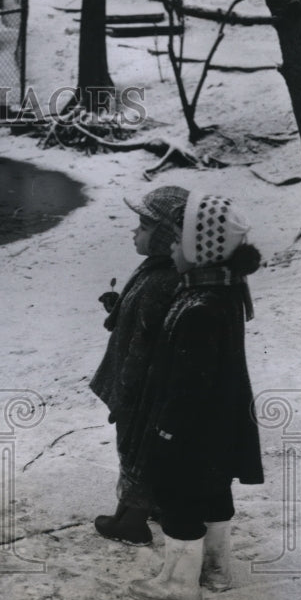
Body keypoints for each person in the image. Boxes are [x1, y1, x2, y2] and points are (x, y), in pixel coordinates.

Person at [127, 192, 264, 600]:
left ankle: (179, 583)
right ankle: (216, 567)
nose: (170, 245)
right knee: (213, 490)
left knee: (179, 498)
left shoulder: (199, 307)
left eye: (178, 240)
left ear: (199, 249)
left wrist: (167, 431)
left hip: (190, 428)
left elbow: (189, 383)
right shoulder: (221, 291)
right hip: (221, 424)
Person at [90, 186, 189, 546]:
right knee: (142, 446)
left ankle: (131, 519)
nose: (135, 232)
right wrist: (119, 305)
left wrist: (124, 396)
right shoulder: (158, 269)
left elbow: (142, 346)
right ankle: (149, 505)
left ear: (165, 235)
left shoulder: (162, 279)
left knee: (133, 446)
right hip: (144, 386)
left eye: (143, 226)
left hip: (139, 388)